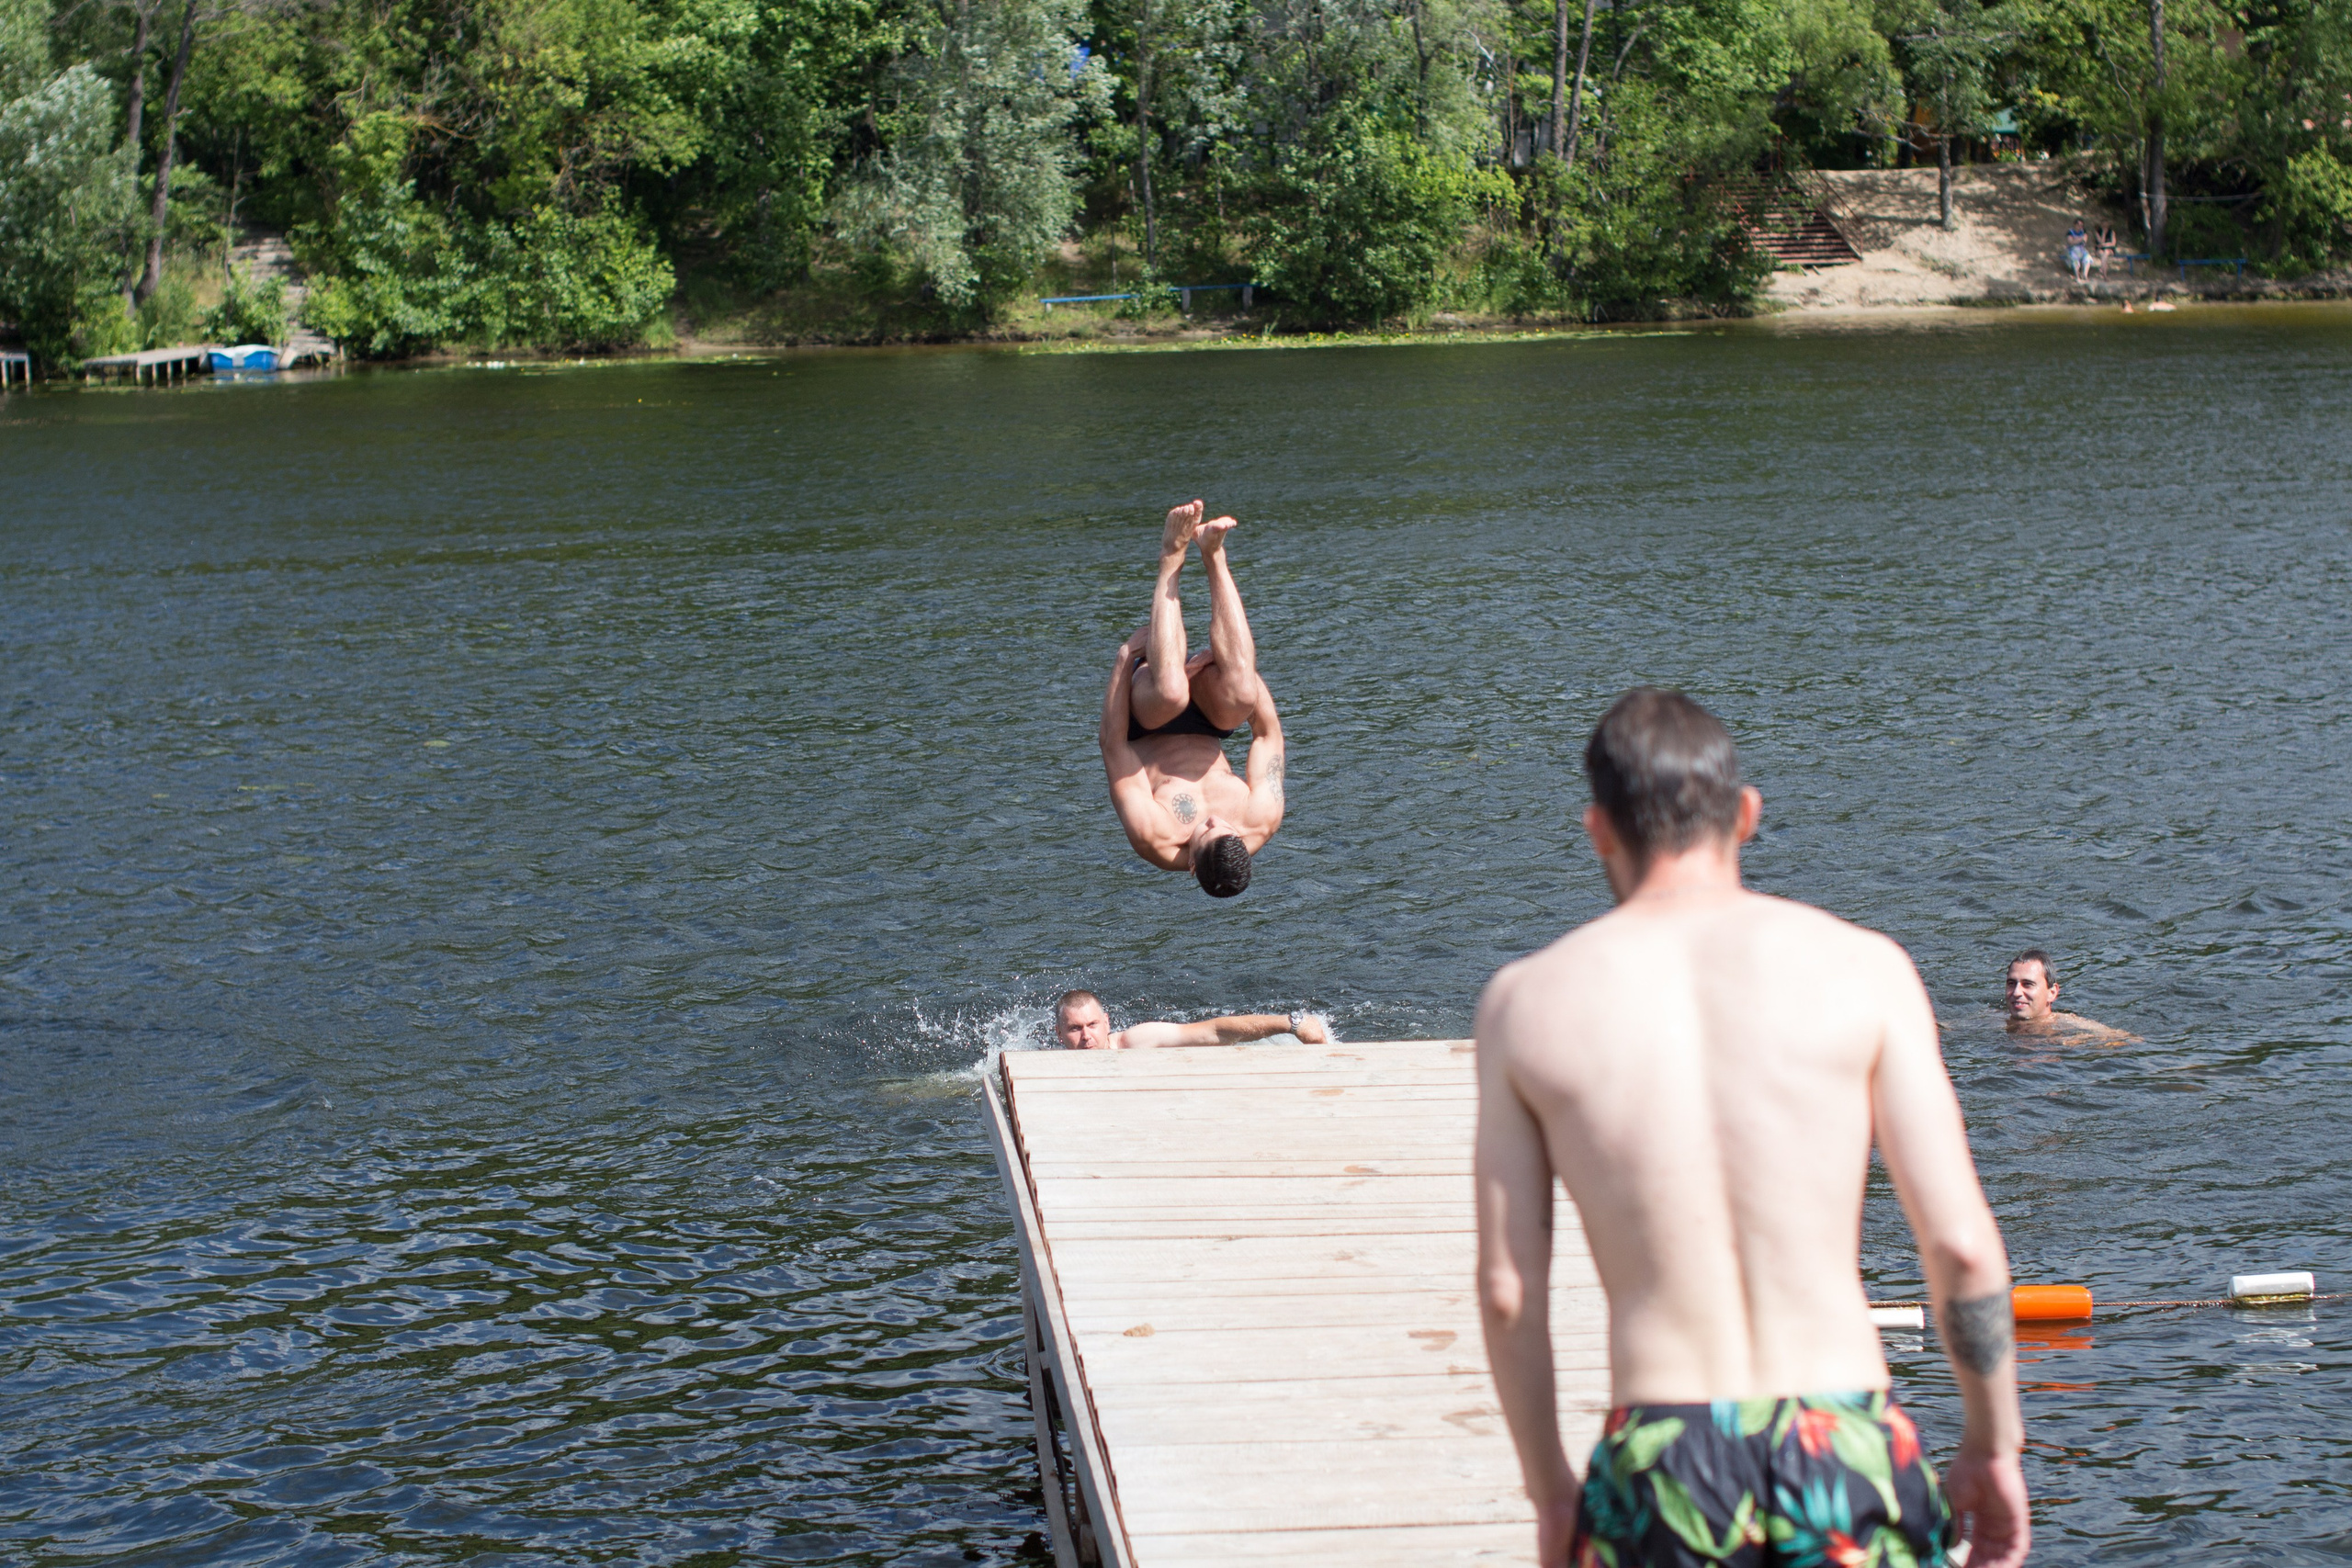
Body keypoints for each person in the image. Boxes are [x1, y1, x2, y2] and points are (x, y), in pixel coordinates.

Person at [1474, 688, 2029, 1568]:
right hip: (1841, 1441)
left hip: (1662, 1464)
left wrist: (1551, 1496)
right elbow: (1960, 1246)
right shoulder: (1867, 970)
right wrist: (1993, 1444)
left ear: (1598, 831)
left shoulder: (1526, 1004)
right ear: (1748, 815)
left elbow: (1509, 1291)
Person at [1099, 501, 1285, 897]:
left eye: (1205, 830)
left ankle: (1172, 554)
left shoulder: (1155, 836)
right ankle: (1213, 552)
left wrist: (1124, 658)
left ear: (1192, 865)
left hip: (1146, 719)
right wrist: (1236, 668)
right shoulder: (1260, 818)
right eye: (1225, 826)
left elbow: (1113, 745)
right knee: (1242, 691)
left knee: (1170, 691)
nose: (1215, 819)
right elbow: (1267, 734)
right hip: (1209, 717)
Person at [1052, 989, 1329, 1050]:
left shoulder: (1134, 1042)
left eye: (1092, 1025)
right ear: (1059, 1034)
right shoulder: (1044, 1066)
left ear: (1107, 1023)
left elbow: (1213, 1031)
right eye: (1075, 1029)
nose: (1086, 1036)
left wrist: (1291, 1023)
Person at [2004, 949, 2129, 1038]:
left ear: (2052, 993)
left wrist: (2080, 1042)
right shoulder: (1994, 1020)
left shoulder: (2072, 1025)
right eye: (2011, 983)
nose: (2016, 992)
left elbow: (2128, 1040)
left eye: (2028, 984)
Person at [2064, 218, 2091, 282]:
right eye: (2078, 225)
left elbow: (2084, 241)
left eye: (2081, 225)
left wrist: (2076, 239)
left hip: (2081, 250)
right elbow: (2070, 242)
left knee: (2088, 258)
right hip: (2072, 250)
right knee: (2075, 260)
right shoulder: (2070, 232)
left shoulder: (2084, 232)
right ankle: (2077, 277)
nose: (2080, 227)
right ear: (2075, 225)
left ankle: (2085, 275)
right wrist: (2081, 239)